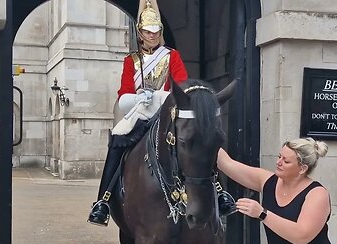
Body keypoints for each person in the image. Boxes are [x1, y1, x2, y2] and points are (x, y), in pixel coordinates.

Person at [87, 0, 236, 227]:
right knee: (118, 138)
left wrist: (160, 97)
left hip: (168, 107)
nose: (153, 35)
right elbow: (124, 92)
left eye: (156, 31)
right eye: (148, 31)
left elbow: (181, 82)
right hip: (140, 110)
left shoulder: (171, 56)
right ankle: (103, 201)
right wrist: (138, 98)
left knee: (197, 139)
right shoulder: (131, 61)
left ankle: (219, 192)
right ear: (141, 33)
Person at [217, 137, 337, 244]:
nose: (278, 162)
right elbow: (227, 164)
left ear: (302, 168)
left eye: (286, 161)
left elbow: (301, 235)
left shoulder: (317, 194)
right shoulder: (267, 181)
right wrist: (203, 128)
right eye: (279, 156)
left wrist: (262, 213)